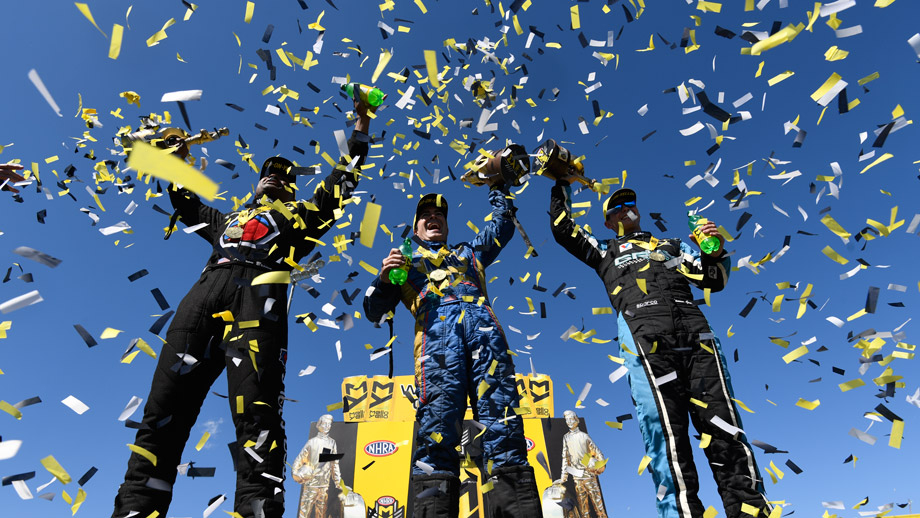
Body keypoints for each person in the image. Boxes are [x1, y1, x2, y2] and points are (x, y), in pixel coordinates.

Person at [112, 98, 373, 518]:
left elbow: (342, 181)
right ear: (257, 182)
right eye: (268, 172)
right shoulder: (224, 220)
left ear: (292, 189)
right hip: (203, 295)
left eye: (284, 177)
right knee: (161, 412)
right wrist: (177, 158)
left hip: (260, 297)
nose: (274, 177)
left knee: (258, 420)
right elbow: (185, 201)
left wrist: (361, 122)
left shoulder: (303, 218)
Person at [548, 177, 771, 518]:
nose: (626, 210)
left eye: (630, 203)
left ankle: (752, 512)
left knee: (725, 430)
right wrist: (561, 182)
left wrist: (717, 247)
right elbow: (564, 230)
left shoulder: (673, 245)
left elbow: (714, 279)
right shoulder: (604, 250)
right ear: (608, 222)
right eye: (617, 208)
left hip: (697, 337)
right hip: (645, 340)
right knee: (668, 441)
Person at [363, 184, 542, 517]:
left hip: (487, 340)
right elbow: (373, 310)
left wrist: (498, 186)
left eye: (439, 215)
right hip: (437, 347)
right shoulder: (403, 262)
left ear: (446, 225)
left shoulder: (469, 252)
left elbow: (503, 225)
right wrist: (386, 279)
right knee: (436, 440)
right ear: (416, 227)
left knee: (505, 432)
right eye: (426, 216)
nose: (433, 218)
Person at [291, 414, 348, 518]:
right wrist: (295, 473)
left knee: (321, 513)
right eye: (325, 424)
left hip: (324, 486)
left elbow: (334, 464)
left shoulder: (332, 443)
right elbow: (299, 459)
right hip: (310, 484)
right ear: (319, 424)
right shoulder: (311, 442)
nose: (327, 426)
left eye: (329, 424)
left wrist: (338, 482)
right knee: (304, 512)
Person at [554, 410, 608, 518]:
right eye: (567, 420)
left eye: (571, 419)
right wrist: (563, 478)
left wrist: (600, 468)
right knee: (584, 511)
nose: (569, 422)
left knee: (599, 509)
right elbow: (565, 458)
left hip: (589, 477)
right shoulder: (566, 438)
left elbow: (598, 453)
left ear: (576, 420)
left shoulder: (584, 436)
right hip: (577, 479)